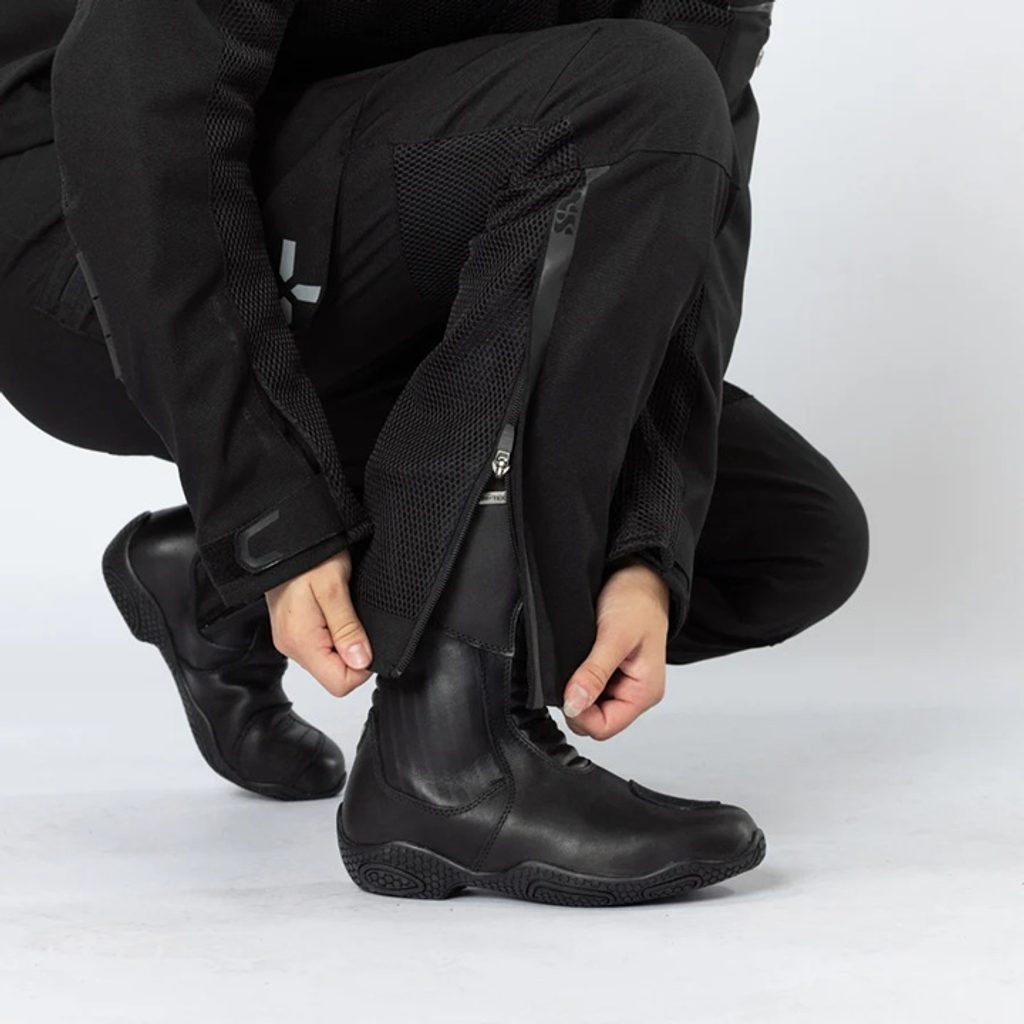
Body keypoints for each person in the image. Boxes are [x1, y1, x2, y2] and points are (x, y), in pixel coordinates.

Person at [0, 1, 868, 906]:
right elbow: (134, 105)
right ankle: (447, 760)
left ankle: (215, 595)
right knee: (640, 88)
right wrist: (264, 511)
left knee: (784, 543)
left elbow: (683, 205)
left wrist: (647, 544)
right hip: (94, 240)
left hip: (390, 222)